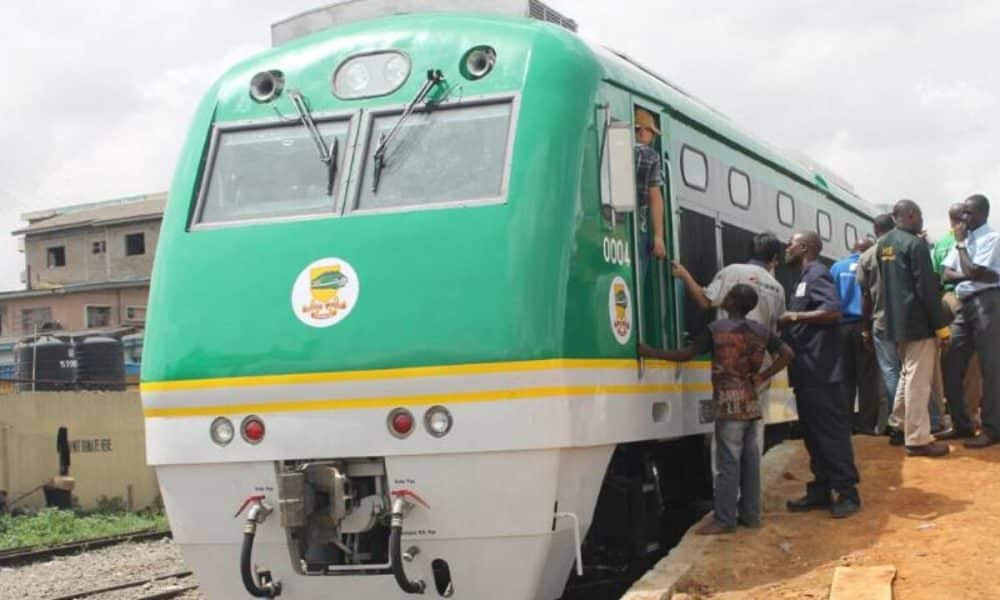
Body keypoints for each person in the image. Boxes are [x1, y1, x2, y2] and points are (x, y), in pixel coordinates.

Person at [640, 284, 794, 535]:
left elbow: (685, 354)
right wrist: (764, 375)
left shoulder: (716, 330)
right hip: (752, 403)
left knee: (728, 463)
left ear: (732, 302)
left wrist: (650, 352)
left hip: (728, 404)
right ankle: (752, 516)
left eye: (729, 294)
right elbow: (788, 353)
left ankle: (725, 519)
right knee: (751, 462)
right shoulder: (760, 331)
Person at [779, 231, 861, 518]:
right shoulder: (802, 279)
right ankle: (820, 490)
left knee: (831, 433)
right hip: (807, 371)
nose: (786, 247)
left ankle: (848, 493)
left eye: (791, 243)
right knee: (813, 435)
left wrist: (795, 316)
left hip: (822, 372)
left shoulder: (817, 274)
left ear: (803, 247)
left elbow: (832, 311)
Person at [878, 200, 951, 457]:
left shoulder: (884, 244)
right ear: (910, 215)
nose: (921, 220)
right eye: (919, 215)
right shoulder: (915, 244)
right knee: (919, 381)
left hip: (896, 322)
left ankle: (898, 424)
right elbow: (927, 290)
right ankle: (918, 439)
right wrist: (940, 326)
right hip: (919, 323)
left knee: (907, 375)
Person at [941, 194, 1000, 448]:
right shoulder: (964, 240)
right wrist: (973, 273)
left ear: (982, 214)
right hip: (965, 306)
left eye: (968, 213)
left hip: (989, 303)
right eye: (962, 213)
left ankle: (992, 429)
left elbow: (974, 271)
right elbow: (947, 274)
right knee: (950, 361)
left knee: (991, 368)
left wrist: (964, 253)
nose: (963, 218)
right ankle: (962, 424)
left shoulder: (991, 239)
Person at [934, 201, 983, 438]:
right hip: (967, 298)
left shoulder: (941, 243)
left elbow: (937, 275)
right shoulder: (972, 239)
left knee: (948, 360)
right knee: (972, 364)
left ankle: (954, 419)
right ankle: (971, 416)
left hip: (944, 299)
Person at [830, 239, 880, 434]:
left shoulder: (837, 267)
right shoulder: (872, 265)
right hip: (865, 325)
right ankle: (866, 426)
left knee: (845, 378)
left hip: (841, 327)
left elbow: (830, 298)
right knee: (867, 378)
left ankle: (845, 425)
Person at [857, 214, 901, 435]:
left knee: (890, 371)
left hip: (881, 320)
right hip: (907, 321)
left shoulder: (866, 257)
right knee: (910, 371)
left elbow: (865, 297)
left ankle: (897, 422)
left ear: (875, 230)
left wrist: (865, 328)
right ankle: (923, 419)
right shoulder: (904, 246)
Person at [633, 108, 666, 279]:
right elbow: (655, 196)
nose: (652, 138)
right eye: (652, 132)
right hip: (638, 228)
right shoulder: (650, 155)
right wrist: (659, 237)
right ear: (643, 130)